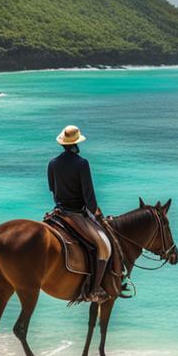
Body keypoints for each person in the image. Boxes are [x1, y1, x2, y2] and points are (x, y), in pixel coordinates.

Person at [47, 124, 112, 303]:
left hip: (58, 212)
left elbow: (53, 189)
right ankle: (95, 290)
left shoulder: (52, 163)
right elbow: (88, 195)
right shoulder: (82, 163)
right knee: (104, 246)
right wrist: (96, 213)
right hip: (76, 214)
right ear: (76, 144)